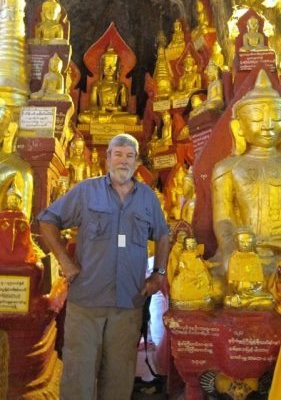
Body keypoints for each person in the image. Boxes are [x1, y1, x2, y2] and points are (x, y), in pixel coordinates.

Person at [38, 133, 170, 400]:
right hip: (87, 301)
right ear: (107, 158)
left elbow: (163, 234)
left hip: (129, 303)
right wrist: (65, 261)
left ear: (136, 161)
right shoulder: (87, 191)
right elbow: (47, 220)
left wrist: (159, 273)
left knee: (119, 376)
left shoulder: (147, 197)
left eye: (129, 155)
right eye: (118, 154)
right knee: (79, 373)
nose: (123, 160)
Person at [212, 69, 281, 270]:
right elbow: (223, 218)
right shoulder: (227, 168)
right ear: (239, 127)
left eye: (276, 118)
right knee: (218, 279)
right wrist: (229, 249)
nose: (268, 126)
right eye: (258, 119)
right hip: (246, 253)